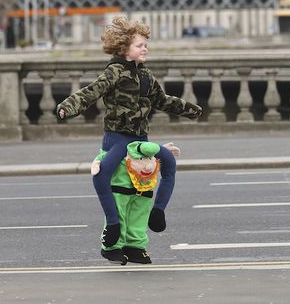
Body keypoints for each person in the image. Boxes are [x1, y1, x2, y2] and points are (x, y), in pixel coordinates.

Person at [56, 16, 202, 260]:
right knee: (115, 188)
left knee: (146, 189)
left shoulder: (146, 76)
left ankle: (142, 234)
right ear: (124, 48)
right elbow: (91, 92)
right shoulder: (114, 72)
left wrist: (191, 110)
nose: (145, 48)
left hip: (140, 141)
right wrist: (67, 107)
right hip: (117, 139)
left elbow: (162, 100)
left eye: (146, 44)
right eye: (139, 45)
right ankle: (112, 238)